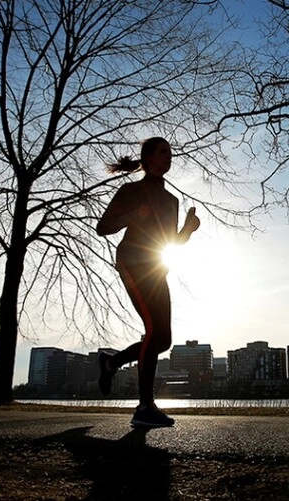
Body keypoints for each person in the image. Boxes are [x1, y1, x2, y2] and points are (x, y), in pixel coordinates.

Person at [95, 136, 200, 427]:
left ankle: (110, 362)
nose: (170, 156)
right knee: (153, 330)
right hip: (132, 262)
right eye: (164, 152)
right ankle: (144, 407)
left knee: (162, 339)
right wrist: (132, 215)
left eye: (171, 153)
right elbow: (102, 227)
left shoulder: (171, 200)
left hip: (156, 268)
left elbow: (170, 242)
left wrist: (188, 230)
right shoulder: (132, 190)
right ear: (149, 157)